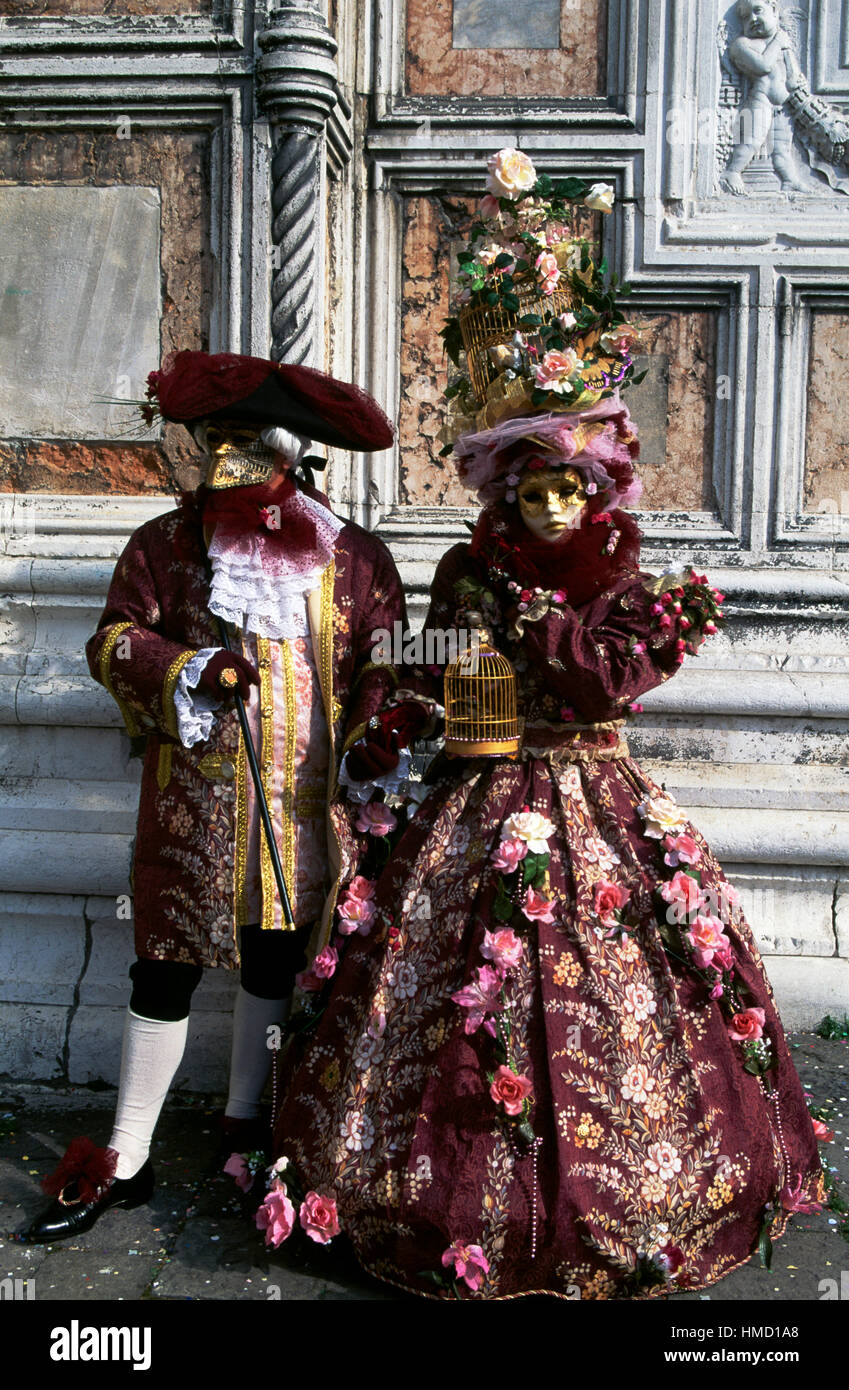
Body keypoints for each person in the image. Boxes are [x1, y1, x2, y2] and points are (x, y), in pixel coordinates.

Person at [253, 153, 825, 1298]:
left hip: (595, 796)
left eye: (568, 489)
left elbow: (599, 689)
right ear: (504, 493)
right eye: (529, 491)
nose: (550, 508)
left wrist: (543, 627)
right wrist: (385, 729)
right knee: (445, 984)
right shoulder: (469, 569)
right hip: (480, 789)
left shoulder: (623, 577)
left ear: (596, 490)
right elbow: (431, 672)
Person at [18, 351, 413, 1244]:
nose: (221, 457)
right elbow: (113, 640)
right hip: (194, 805)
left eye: (241, 442)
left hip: (305, 810)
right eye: (214, 440)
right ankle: (127, 1153)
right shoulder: (162, 544)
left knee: (274, 962)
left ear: (286, 452)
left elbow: (379, 662)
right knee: (164, 966)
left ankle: (247, 1128)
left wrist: (377, 735)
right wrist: (187, 667)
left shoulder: (353, 557)